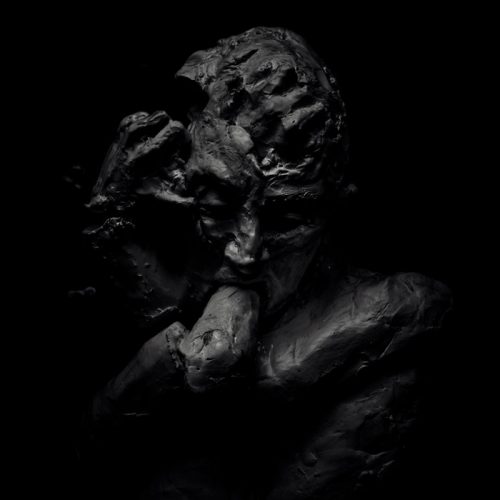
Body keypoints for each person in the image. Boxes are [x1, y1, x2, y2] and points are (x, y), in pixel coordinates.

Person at [80, 27, 452, 500]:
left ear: (334, 209)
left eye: (286, 221)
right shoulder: (144, 269)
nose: (247, 253)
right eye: (218, 208)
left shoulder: (388, 336)